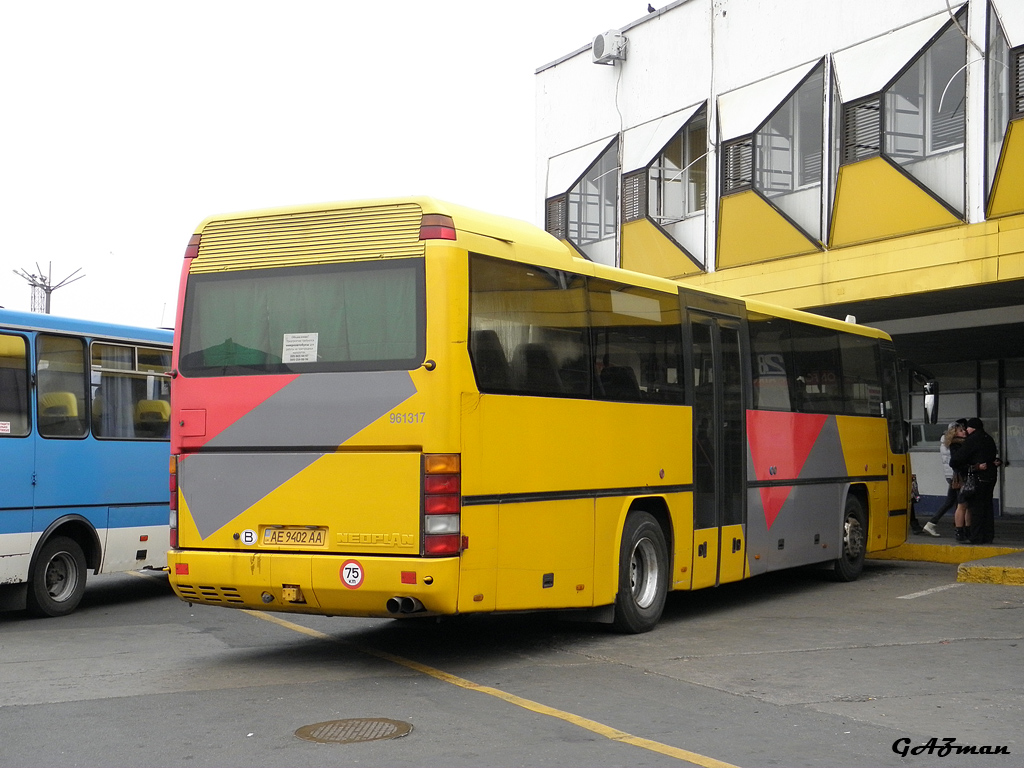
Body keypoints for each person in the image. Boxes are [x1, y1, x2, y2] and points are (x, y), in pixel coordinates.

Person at [949, 417, 999, 544]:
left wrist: (970, 467)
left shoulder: (972, 440)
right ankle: (988, 536)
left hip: (978, 478)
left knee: (976, 508)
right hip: (991, 477)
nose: (966, 431)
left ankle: (976, 536)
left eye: (968, 428)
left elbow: (955, 460)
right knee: (987, 507)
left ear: (973, 428)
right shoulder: (989, 438)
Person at [922, 420, 966, 537]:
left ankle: (933, 524)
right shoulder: (956, 444)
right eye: (961, 430)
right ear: (954, 432)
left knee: (952, 501)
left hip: (950, 475)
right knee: (957, 502)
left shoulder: (945, 442)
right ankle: (958, 527)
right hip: (956, 476)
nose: (964, 431)